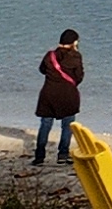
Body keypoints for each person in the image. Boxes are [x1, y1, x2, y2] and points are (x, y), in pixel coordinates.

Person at [30, 31, 84, 165]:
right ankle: (63, 155)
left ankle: (39, 156)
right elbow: (79, 77)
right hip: (68, 95)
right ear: (74, 42)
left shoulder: (50, 55)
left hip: (49, 94)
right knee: (67, 126)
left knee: (45, 125)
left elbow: (42, 70)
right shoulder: (75, 56)